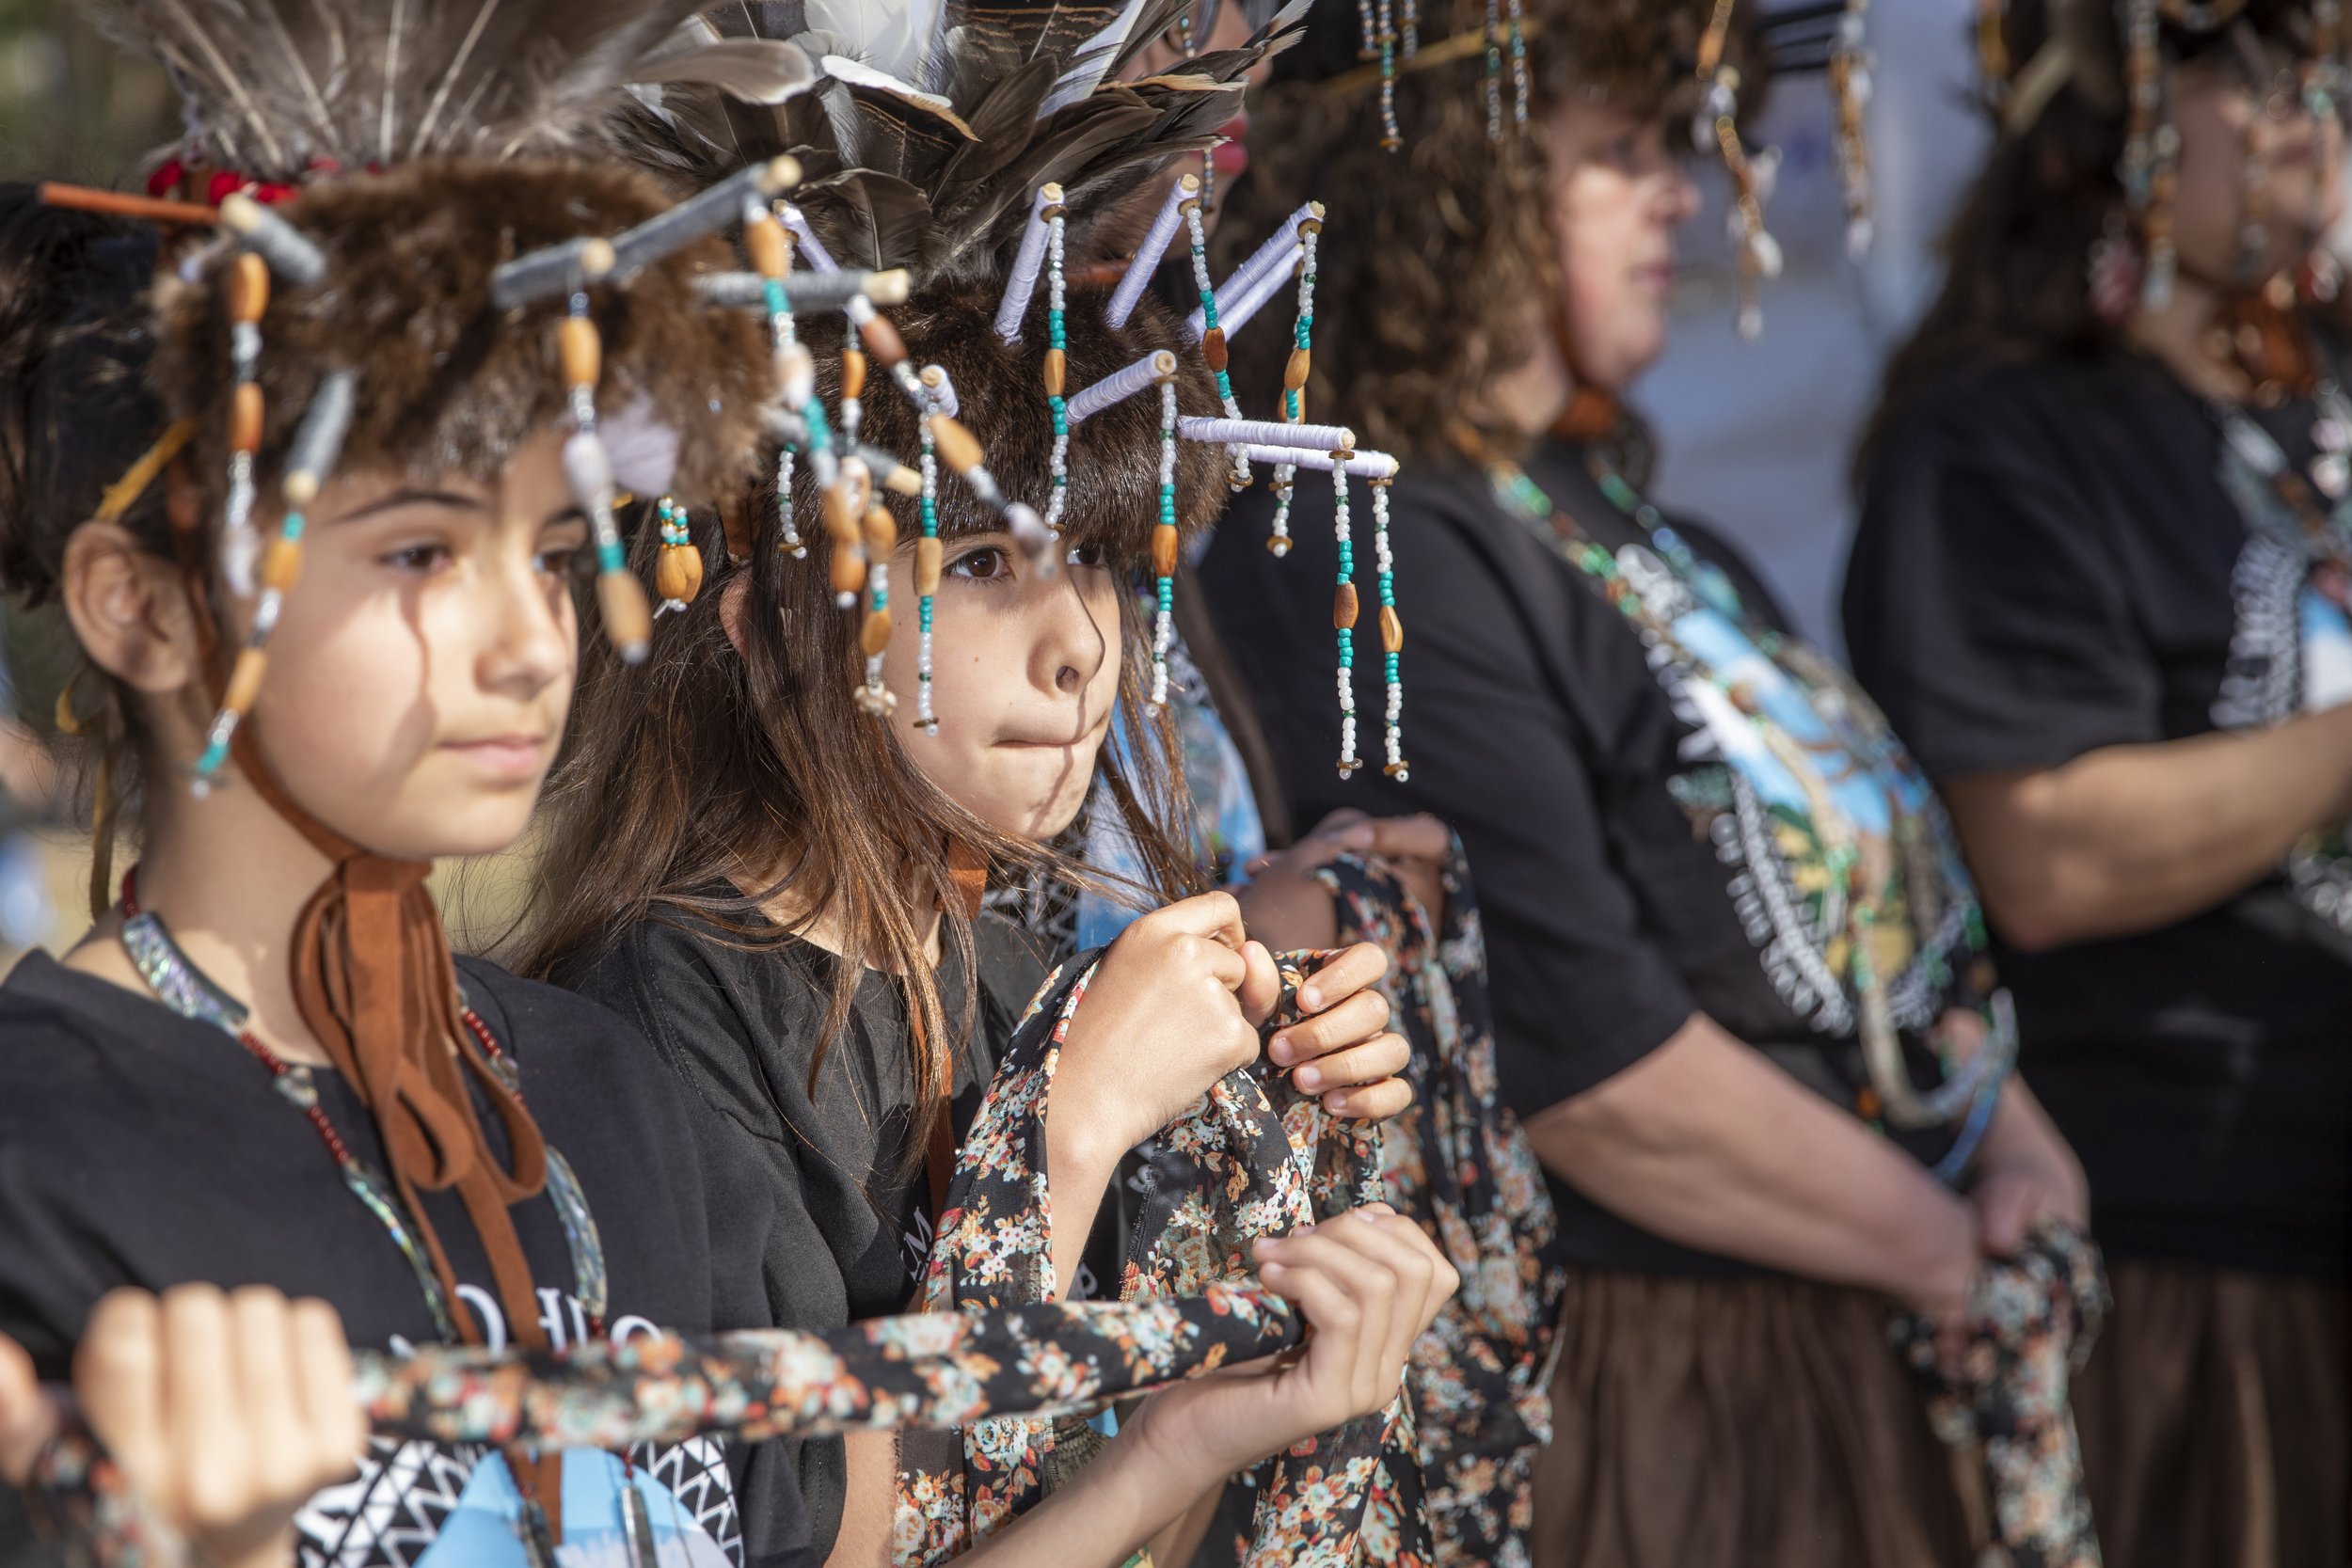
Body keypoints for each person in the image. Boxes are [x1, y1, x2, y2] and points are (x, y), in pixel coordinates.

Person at [522, 8, 1430, 1562]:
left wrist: (1262, 1142)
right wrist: (1067, 1134)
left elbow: (1139, 1509)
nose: (1079, 643)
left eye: (1102, 560)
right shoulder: (652, 1029)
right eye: (985, 561)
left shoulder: (1019, 967)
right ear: (764, 625)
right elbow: (823, 1542)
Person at [1200, 0, 2093, 1563]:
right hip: (1662, 1383)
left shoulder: (1652, 529)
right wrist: (1944, 1246)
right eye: (1620, 153)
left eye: (1679, 144)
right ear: (1454, 187)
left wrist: (2015, 1144)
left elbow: (1885, 909)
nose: (1688, 190)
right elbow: (1582, 1061)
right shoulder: (1369, 538)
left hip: (1856, 1322)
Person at [1847, 2, 2352, 1561]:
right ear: (2114, 115)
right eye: (2255, 78)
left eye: (2327, 72)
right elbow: (2041, 851)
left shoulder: (2318, 398)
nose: (2310, 113)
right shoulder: (2004, 440)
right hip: (2188, 1248)